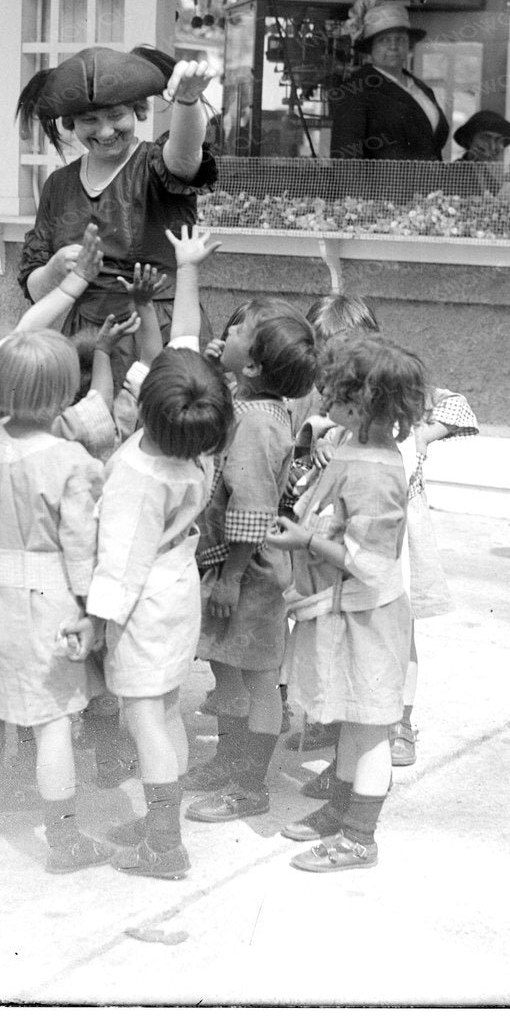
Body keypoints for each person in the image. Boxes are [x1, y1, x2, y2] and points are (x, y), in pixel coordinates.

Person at [0, 330, 117, 874]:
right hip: (50, 599)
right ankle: (64, 840)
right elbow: (80, 546)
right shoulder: (70, 460)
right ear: (65, 394)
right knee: (53, 722)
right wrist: (93, 609)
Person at [86, 234, 230, 880]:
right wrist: (187, 270)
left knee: (143, 717)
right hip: (179, 586)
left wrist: (97, 622)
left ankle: (165, 844)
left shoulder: (139, 472)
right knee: (167, 707)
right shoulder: (191, 437)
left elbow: (120, 563)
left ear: (143, 403)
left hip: (144, 598)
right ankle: (157, 823)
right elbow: (186, 345)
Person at [265, 334, 427, 873]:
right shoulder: (357, 447)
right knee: (351, 720)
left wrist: (305, 541)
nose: (324, 399)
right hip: (344, 611)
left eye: (334, 394)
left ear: (364, 404)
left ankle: (360, 837)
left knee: (368, 727)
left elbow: (372, 561)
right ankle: (341, 808)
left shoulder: (377, 472)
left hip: (366, 617)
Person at [182, 296, 316, 824]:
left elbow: (252, 506)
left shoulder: (260, 424)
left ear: (256, 365)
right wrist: (217, 369)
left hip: (248, 573)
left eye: (239, 330)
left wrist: (230, 581)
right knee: (228, 670)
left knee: (258, 679)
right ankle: (230, 761)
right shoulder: (251, 402)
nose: (229, 329)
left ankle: (250, 785)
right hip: (228, 565)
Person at [15, 48, 220, 367]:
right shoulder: (58, 185)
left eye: (116, 116)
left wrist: (188, 101)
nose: (105, 131)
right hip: (89, 342)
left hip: (162, 333)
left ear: (137, 110)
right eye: (90, 120)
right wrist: (55, 268)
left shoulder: (156, 165)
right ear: (71, 123)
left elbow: (185, 152)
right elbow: (38, 291)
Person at [328, 0, 447, 163]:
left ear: (408, 45)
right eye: (384, 40)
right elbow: (345, 159)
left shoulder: (423, 90)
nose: (393, 46)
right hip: (383, 188)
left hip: (430, 187)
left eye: (400, 39)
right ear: (370, 48)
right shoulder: (356, 89)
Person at [448, 109, 510, 195]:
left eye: (497, 140)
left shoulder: (491, 176)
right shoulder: (454, 174)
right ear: (470, 140)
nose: (492, 146)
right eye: (485, 138)